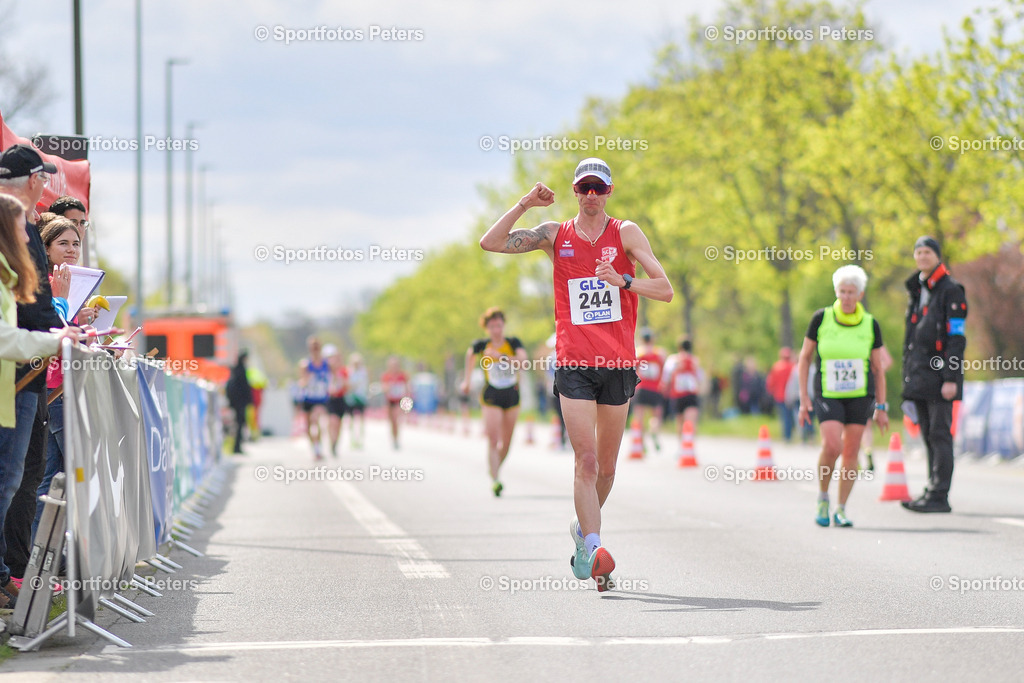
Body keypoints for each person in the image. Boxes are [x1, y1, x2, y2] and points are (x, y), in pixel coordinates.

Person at [479, 157, 673, 591]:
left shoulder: (626, 233)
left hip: (618, 365)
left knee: (606, 468)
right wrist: (525, 204)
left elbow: (665, 289)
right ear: (574, 191)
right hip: (573, 364)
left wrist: (623, 281)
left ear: (609, 192)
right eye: (583, 188)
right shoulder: (554, 235)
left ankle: (583, 530)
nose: (590, 196)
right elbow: (490, 243)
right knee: (584, 461)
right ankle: (594, 546)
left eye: (597, 188)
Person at [0, 194, 80, 610]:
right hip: (21, 389)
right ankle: (16, 572)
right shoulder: (16, 278)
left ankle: (19, 571)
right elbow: (20, 332)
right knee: (19, 482)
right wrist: (60, 330)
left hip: (25, 392)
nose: (25, 236)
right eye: (21, 229)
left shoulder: (18, 276)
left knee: (25, 481)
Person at [798, 265, 889, 528]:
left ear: (860, 295)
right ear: (836, 292)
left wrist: (881, 406)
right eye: (842, 291)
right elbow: (804, 359)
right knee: (833, 446)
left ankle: (841, 508)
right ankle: (823, 496)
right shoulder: (821, 318)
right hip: (828, 392)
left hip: (860, 395)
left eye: (851, 292)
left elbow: (878, 368)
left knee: (851, 451)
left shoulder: (871, 324)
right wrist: (804, 396)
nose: (846, 297)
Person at [901, 236, 966, 513]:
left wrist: (950, 378)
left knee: (940, 434)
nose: (923, 256)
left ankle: (940, 495)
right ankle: (931, 489)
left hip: (941, 380)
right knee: (927, 433)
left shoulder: (951, 290)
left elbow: (956, 338)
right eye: (919, 251)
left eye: (928, 251)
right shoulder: (918, 290)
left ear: (937, 256)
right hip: (920, 377)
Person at [460, 307, 529, 497]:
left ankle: (494, 467)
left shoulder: (513, 343)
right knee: (493, 438)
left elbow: (524, 362)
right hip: (491, 395)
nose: (496, 330)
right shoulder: (482, 345)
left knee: (506, 443)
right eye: (492, 326)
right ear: (487, 328)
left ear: (503, 325)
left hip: (512, 395)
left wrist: (502, 357)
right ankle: (496, 479)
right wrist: (466, 380)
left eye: (499, 325)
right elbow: (469, 355)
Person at [661, 338, 703, 437]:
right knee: (691, 421)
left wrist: (664, 389)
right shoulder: (694, 360)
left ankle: (682, 446)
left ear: (679, 347)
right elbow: (700, 377)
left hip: (677, 394)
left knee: (679, 421)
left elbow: (666, 376)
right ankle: (689, 445)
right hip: (691, 394)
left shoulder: (673, 359)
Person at [634, 329, 666, 451]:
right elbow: (665, 370)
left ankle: (642, 444)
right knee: (656, 416)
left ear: (642, 339)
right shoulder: (660, 354)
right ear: (652, 339)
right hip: (655, 388)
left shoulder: (639, 353)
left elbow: (633, 370)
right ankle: (654, 429)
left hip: (641, 388)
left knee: (639, 416)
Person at [300, 336, 330, 460]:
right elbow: (302, 382)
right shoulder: (305, 364)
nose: (315, 350)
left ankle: (318, 449)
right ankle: (315, 447)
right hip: (309, 397)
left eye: (317, 347)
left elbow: (333, 379)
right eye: (313, 348)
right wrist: (307, 379)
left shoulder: (326, 364)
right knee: (308, 427)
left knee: (316, 420)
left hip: (321, 398)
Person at [323, 344, 348, 457]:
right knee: (332, 421)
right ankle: (331, 441)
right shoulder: (326, 371)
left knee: (338, 423)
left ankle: (335, 443)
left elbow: (346, 385)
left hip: (340, 399)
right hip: (330, 399)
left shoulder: (343, 371)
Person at [225, 350, 253, 454]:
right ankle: (236, 447)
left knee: (238, 424)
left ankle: (236, 446)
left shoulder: (235, 371)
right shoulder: (241, 371)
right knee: (239, 424)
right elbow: (245, 388)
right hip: (240, 403)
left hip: (236, 403)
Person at [380, 356, 409, 450]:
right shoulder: (386, 376)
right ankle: (393, 438)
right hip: (390, 400)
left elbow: (407, 387)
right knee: (392, 421)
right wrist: (387, 388)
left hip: (399, 400)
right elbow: (383, 388)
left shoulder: (402, 375)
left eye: (396, 365)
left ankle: (396, 439)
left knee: (396, 419)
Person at [346, 353, 368, 448]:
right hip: (351, 398)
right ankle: (352, 439)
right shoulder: (348, 371)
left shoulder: (363, 372)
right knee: (351, 419)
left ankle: (360, 439)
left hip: (361, 397)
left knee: (361, 419)